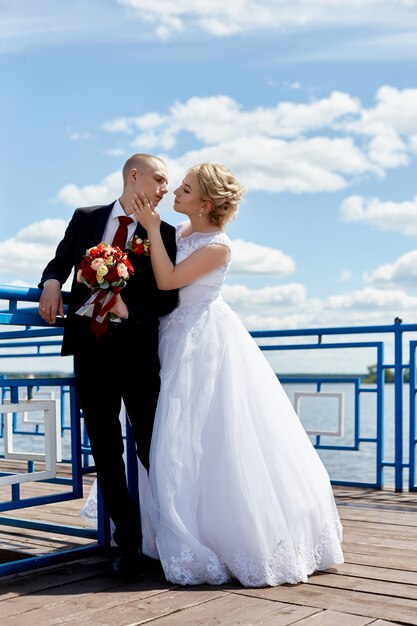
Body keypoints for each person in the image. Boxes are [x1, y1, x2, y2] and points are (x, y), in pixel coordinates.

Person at [128, 162, 344, 587]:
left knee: (213, 435)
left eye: (185, 189)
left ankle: (223, 533)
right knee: (171, 435)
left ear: (205, 203)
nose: (175, 192)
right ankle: (168, 527)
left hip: (203, 341)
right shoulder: (181, 233)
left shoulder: (218, 246)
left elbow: (169, 280)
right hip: (168, 337)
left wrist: (152, 230)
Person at [38, 153, 178, 577]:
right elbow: (61, 260)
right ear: (134, 176)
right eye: (160, 179)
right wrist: (50, 284)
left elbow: (167, 298)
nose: (165, 189)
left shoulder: (164, 232)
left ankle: (172, 539)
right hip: (90, 352)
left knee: (152, 447)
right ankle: (130, 547)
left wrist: (125, 306)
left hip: (137, 354)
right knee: (106, 449)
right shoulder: (86, 217)